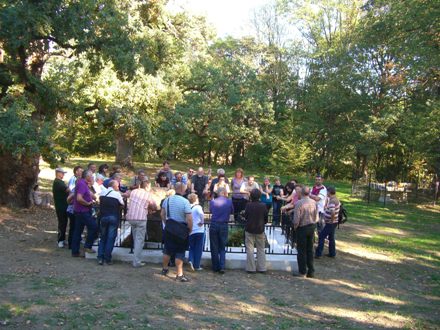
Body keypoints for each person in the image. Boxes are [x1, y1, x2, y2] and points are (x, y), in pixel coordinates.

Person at [161, 182, 193, 282]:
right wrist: (190, 229)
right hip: (181, 228)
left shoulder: (167, 200)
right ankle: (179, 274)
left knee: (167, 249)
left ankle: (165, 269)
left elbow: (162, 214)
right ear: (183, 190)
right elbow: (189, 219)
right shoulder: (185, 202)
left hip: (169, 226)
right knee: (180, 251)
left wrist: (167, 223)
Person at [126, 180, 157, 268]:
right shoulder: (148, 194)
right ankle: (136, 262)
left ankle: (135, 257)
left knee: (136, 239)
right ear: (147, 187)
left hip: (131, 217)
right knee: (139, 241)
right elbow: (154, 206)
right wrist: (150, 208)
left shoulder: (134, 192)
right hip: (140, 218)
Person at [71, 170, 98, 257]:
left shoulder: (83, 183)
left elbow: (88, 194)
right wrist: (87, 203)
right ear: (87, 176)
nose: (92, 177)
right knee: (94, 227)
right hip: (83, 211)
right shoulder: (82, 184)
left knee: (78, 231)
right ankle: (87, 246)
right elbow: (79, 198)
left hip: (80, 211)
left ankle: (75, 251)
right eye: (91, 176)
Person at [97, 180, 124, 265]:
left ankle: (100, 257)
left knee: (103, 238)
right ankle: (107, 258)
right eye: (117, 186)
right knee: (110, 238)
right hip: (113, 217)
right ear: (114, 186)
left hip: (103, 217)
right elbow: (122, 204)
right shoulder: (117, 194)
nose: (118, 187)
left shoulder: (102, 193)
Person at [293, 186, 317, 278]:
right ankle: (311, 271)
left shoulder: (299, 203)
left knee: (301, 250)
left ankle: (302, 271)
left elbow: (296, 219)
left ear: (301, 193)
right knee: (310, 249)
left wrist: (295, 227)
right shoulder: (314, 202)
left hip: (302, 228)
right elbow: (316, 215)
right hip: (312, 226)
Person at [209, 187, 234, 274]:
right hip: (224, 224)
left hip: (214, 224)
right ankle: (222, 266)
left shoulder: (213, 201)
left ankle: (215, 267)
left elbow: (211, 210)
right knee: (222, 246)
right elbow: (232, 211)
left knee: (214, 246)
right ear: (223, 192)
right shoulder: (229, 201)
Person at [244, 189, 268, 274]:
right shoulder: (263, 205)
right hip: (260, 229)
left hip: (249, 228)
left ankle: (251, 268)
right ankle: (262, 268)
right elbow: (266, 218)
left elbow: (246, 216)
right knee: (261, 249)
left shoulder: (248, 205)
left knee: (250, 249)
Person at [315, 186, 340, 258]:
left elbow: (332, 212)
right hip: (333, 222)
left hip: (331, 223)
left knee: (321, 236)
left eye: (327, 192)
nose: (326, 194)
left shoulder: (333, 201)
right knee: (331, 238)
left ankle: (318, 253)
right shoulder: (334, 199)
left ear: (329, 192)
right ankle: (332, 253)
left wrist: (331, 221)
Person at [52, 168, 69, 248]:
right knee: (62, 223)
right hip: (61, 206)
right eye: (62, 173)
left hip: (63, 205)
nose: (63, 175)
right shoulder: (58, 182)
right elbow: (67, 190)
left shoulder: (60, 182)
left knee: (64, 222)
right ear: (58, 173)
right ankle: (60, 240)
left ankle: (62, 239)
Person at [187, 193, 205, 271]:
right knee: (198, 248)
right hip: (199, 230)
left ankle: (190, 260)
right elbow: (201, 215)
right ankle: (197, 265)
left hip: (191, 230)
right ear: (196, 199)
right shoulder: (198, 207)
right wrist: (202, 222)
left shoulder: (188, 207)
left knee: (191, 247)